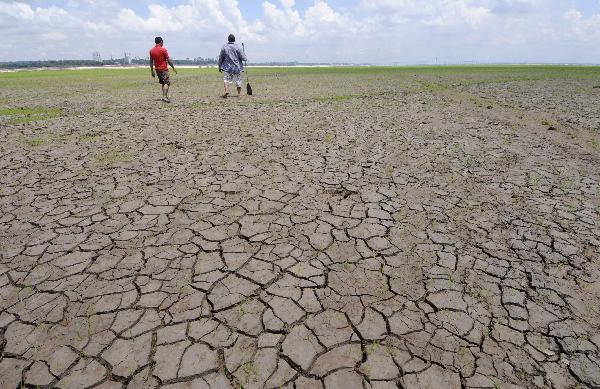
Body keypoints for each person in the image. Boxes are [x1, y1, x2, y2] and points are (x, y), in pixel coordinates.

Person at [218, 34, 247, 98]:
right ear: (234, 40)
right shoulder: (238, 47)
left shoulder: (224, 47)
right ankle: (239, 94)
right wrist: (244, 56)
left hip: (227, 67)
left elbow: (220, 58)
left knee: (226, 79)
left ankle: (226, 91)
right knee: (238, 80)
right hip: (237, 67)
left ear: (228, 39)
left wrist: (220, 66)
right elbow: (244, 58)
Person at [149, 36, 177, 103]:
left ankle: (164, 96)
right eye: (162, 42)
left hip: (157, 69)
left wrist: (152, 71)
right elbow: (168, 60)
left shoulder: (151, 51)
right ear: (161, 42)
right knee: (167, 82)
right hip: (163, 69)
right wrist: (173, 67)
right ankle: (164, 97)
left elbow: (151, 61)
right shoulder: (163, 50)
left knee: (163, 83)